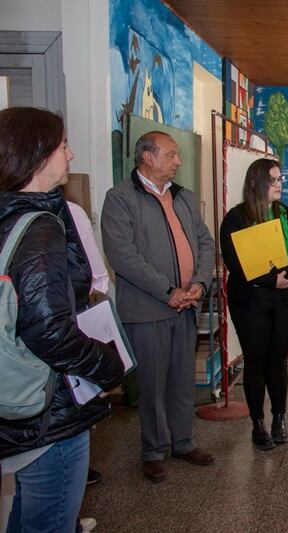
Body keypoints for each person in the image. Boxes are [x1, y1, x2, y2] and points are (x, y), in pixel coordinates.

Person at [0, 106, 124, 532]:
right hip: (46, 410)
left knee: (27, 516)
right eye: (63, 146)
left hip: (16, 398)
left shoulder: (9, 215)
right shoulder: (40, 229)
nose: (70, 156)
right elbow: (50, 331)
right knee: (51, 521)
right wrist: (107, 365)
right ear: (36, 155)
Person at [101, 131, 215, 482]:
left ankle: (183, 442)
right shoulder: (120, 198)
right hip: (148, 308)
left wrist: (198, 283)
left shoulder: (183, 197)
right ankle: (153, 450)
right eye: (171, 155)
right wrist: (167, 291)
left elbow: (205, 243)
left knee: (181, 380)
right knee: (151, 384)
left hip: (186, 306)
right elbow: (123, 257)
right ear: (147, 157)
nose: (178, 162)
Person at [220, 158, 288, 450]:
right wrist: (270, 281)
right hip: (251, 301)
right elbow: (234, 261)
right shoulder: (236, 218)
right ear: (255, 183)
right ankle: (258, 423)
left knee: (278, 360)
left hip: (287, 300)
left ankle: (279, 418)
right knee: (256, 361)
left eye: (280, 178)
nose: (279, 184)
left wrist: (287, 275)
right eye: (273, 180)